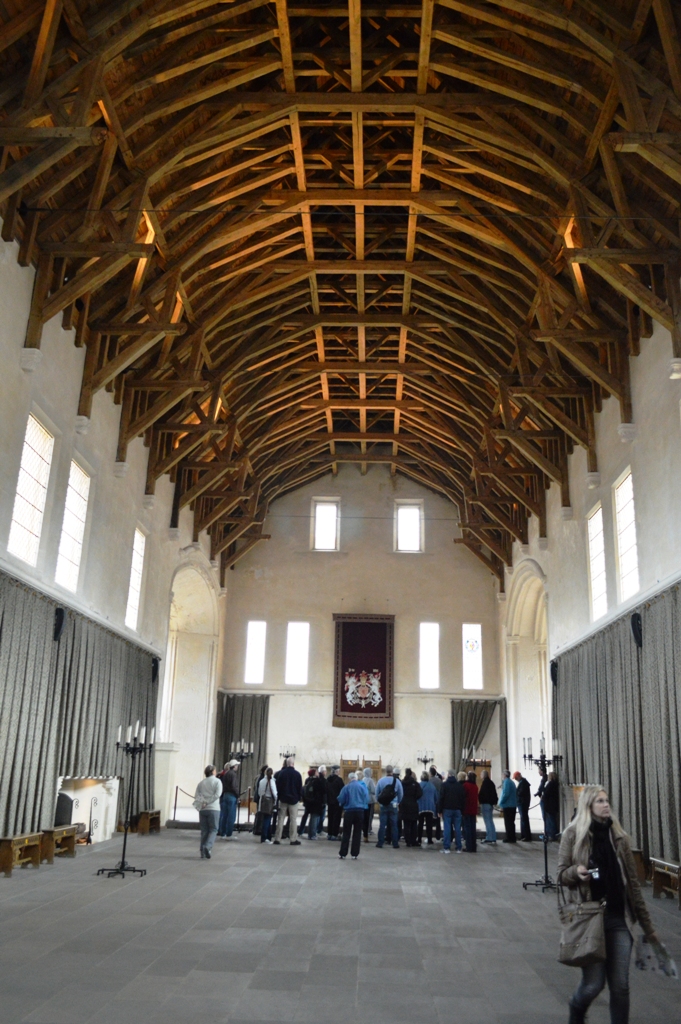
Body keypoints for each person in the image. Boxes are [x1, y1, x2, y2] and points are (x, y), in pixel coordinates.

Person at [557, 786, 660, 1024]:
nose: (606, 805)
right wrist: (576, 871)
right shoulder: (572, 835)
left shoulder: (619, 837)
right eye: (600, 801)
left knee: (621, 985)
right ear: (588, 806)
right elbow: (561, 875)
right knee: (593, 985)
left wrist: (647, 926)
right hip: (590, 919)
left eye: (606, 800)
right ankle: (576, 1008)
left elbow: (633, 885)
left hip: (619, 918)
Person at [337, 772, 369, 859]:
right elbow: (367, 799)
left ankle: (343, 853)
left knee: (346, 832)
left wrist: (343, 804)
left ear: (349, 778)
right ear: (356, 778)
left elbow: (341, 798)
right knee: (357, 833)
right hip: (360, 812)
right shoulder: (362, 787)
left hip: (349, 812)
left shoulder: (346, 787)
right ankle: (355, 854)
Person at [273, 756, 302, 845]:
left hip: (283, 799)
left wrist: (279, 797)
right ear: (293, 764)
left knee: (280, 819)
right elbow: (299, 788)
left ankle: (277, 838)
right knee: (293, 819)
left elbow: (278, 787)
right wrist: (298, 798)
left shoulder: (281, 773)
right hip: (293, 800)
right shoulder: (297, 774)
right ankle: (293, 839)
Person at [194, 765, 222, 859]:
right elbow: (217, 795)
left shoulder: (201, 783)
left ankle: (202, 852)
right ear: (213, 772)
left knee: (204, 831)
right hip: (214, 808)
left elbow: (197, 795)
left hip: (203, 809)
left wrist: (202, 803)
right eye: (215, 770)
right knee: (213, 829)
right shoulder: (217, 781)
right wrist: (208, 801)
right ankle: (208, 846)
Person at [375, 766, 403, 849]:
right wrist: (398, 802)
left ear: (385, 771)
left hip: (383, 805)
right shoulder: (397, 781)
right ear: (392, 772)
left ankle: (380, 843)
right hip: (393, 805)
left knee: (382, 824)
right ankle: (395, 843)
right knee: (394, 825)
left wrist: (380, 802)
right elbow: (401, 793)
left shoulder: (381, 781)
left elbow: (377, 793)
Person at [437, 769, 465, 853]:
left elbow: (441, 798)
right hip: (457, 810)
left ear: (448, 774)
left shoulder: (444, 785)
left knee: (447, 828)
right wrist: (462, 809)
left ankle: (446, 848)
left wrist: (439, 810)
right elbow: (463, 798)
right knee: (458, 829)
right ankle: (459, 847)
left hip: (447, 809)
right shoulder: (459, 785)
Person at [217, 759, 240, 840]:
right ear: (234, 766)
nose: (237, 767)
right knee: (231, 816)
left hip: (225, 795)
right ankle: (229, 834)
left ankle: (223, 833)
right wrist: (237, 795)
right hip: (231, 796)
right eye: (237, 765)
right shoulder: (233, 774)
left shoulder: (226, 773)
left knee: (224, 815)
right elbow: (233, 786)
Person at [399, 768, 423, 847]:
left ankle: (407, 841)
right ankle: (413, 840)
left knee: (406, 823)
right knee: (413, 823)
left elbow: (399, 792)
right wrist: (414, 798)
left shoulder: (402, 783)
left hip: (404, 805)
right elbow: (420, 793)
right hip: (413, 804)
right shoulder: (415, 783)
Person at [301, 767, 326, 839]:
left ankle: (310, 834)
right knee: (314, 818)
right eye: (317, 772)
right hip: (316, 802)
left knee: (311, 818)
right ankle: (312, 835)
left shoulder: (308, 780)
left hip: (309, 802)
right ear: (315, 774)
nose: (318, 773)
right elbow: (323, 790)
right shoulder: (317, 781)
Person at [417, 771, 438, 846]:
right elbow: (436, 798)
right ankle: (429, 839)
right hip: (430, 807)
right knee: (429, 824)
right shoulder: (432, 786)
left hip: (421, 807)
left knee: (420, 824)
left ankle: (419, 839)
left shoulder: (419, 785)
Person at [257, 767, 277, 844]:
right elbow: (274, 793)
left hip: (262, 801)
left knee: (265, 819)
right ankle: (264, 838)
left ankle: (267, 837)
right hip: (269, 802)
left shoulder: (261, 781)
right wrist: (276, 800)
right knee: (267, 820)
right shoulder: (271, 781)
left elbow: (259, 792)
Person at [478, 769, 498, 844]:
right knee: (490, 821)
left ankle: (489, 838)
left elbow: (483, 794)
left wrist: (480, 800)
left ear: (484, 775)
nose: (480, 776)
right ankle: (493, 837)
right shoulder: (491, 782)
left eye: (481, 774)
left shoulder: (485, 783)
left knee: (487, 821)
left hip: (485, 804)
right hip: (490, 804)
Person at [325, 765, 344, 840]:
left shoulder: (328, 779)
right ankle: (334, 834)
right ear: (337, 771)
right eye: (339, 771)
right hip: (337, 802)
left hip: (330, 802)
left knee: (330, 817)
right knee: (336, 818)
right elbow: (342, 791)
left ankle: (329, 834)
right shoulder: (339, 780)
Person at [498, 769, 518, 843]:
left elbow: (506, 794)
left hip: (508, 805)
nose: (502, 776)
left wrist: (501, 803)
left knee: (508, 822)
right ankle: (512, 837)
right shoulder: (511, 782)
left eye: (502, 774)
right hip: (512, 805)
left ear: (505, 775)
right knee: (511, 822)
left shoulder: (507, 782)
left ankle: (510, 837)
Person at [513, 770, 532, 841]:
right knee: (523, 819)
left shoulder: (523, 783)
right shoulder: (523, 782)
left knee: (524, 820)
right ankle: (523, 835)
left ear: (519, 776)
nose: (515, 779)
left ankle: (526, 836)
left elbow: (520, 793)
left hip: (523, 803)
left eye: (516, 778)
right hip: (522, 803)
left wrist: (515, 791)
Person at [462, 771, 479, 852]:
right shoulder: (475, 786)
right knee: (473, 829)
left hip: (467, 809)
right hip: (473, 809)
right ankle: (473, 847)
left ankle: (468, 847)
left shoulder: (466, 785)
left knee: (467, 829)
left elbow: (463, 796)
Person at [542, 771, 560, 840]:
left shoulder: (551, 784)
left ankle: (552, 834)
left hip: (550, 805)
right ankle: (552, 834)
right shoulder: (555, 784)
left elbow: (546, 793)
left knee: (551, 820)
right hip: (553, 804)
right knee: (551, 819)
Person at [362, 767, 376, 842]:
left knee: (364, 816)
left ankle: (364, 829)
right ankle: (368, 829)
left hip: (364, 801)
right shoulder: (370, 780)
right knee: (370, 816)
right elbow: (373, 790)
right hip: (370, 800)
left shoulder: (363, 779)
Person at [429, 765, 443, 841]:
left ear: (430, 773)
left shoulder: (429, 781)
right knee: (438, 820)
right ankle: (438, 835)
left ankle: (430, 836)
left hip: (431, 802)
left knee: (430, 820)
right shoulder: (439, 781)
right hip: (438, 801)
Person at [316, 765, 328, 835]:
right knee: (321, 816)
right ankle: (319, 830)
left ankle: (316, 829)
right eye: (325, 771)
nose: (326, 772)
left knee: (317, 816)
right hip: (322, 801)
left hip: (316, 800)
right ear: (323, 772)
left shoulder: (316, 779)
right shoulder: (324, 780)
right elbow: (325, 791)